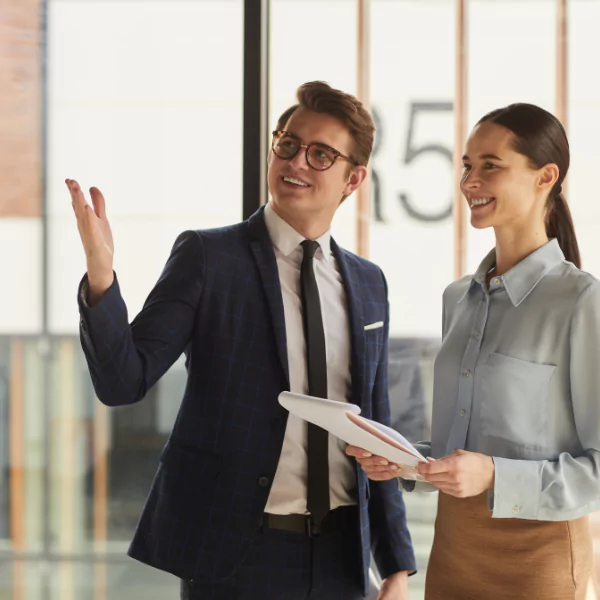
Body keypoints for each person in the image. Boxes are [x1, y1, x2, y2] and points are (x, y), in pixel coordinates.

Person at [67, 81, 416, 600]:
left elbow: (376, 428)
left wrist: (396, 565)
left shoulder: (368, 282)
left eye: (321, 154)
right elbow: (124, 380)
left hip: (344, 558)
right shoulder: (209, 258)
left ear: (353, 179)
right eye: (288, 144)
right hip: (238, 557)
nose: (297, 162)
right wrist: (101, 278)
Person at [347, 102, 600, 599]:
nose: (469, 181)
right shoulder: (457, 298)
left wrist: (493, 475)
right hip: (453, 553)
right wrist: (405, 462)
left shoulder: (581, 301)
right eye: (466, 165)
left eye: (490, 166)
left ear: (545, 176)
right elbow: (459, 449)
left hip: (538, 560)